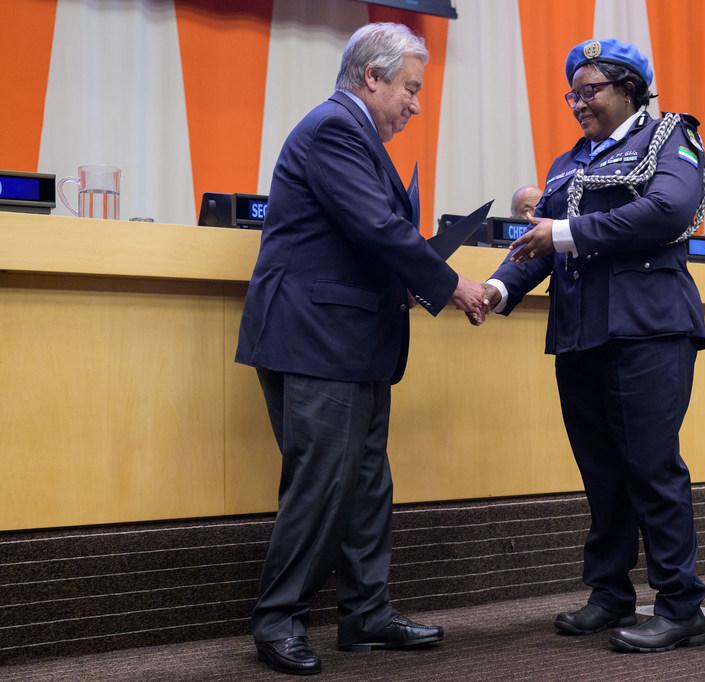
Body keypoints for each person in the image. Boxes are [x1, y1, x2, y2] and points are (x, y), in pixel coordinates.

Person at [235, 22, 487, 675]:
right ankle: (278, 620)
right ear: (371, 77)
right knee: (320, 485)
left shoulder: (352, 134)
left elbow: (360, 238)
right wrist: (448, 283)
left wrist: (407, 281)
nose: (416, 104)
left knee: (367, 484)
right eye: (411, 87)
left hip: (350, 342)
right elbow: (375, 226)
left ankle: (367, 614)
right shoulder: (335, 128)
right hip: (316, 342)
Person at [476, 39, 705, 653]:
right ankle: (610, 594)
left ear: (629, 89)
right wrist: (498, 288)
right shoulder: (566, 163)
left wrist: (566, 232)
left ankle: (681, 606)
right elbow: (539, 245)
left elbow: (668, 210)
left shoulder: (670, 137)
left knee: (651, 467)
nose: (578, 103)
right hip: (580, 335)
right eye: (572, 94)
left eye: (590, 91)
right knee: (601, 473)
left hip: (648, 328)